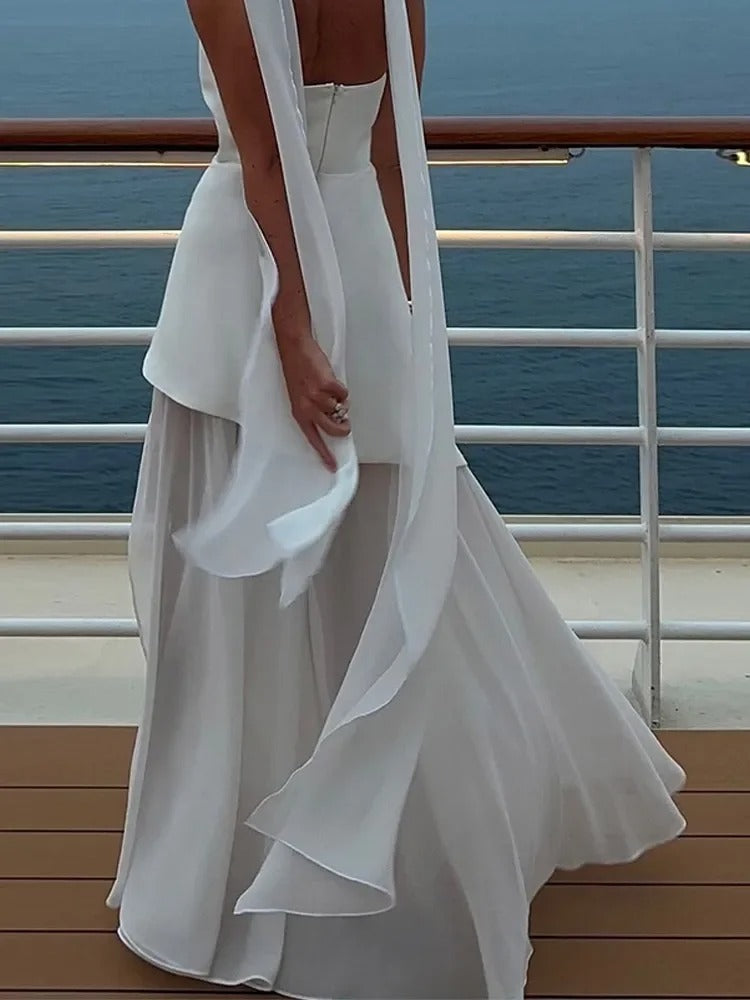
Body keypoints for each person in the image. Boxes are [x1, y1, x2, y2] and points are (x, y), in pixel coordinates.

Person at [107, 2, 686, 998]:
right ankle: (382, 839)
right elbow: (386, 158)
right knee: (374, 570)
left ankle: (227, 868)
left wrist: (292, 333)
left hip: (240, 295)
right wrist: (405, 316)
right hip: (365, 271)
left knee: (228, 612)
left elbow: (262, 160)